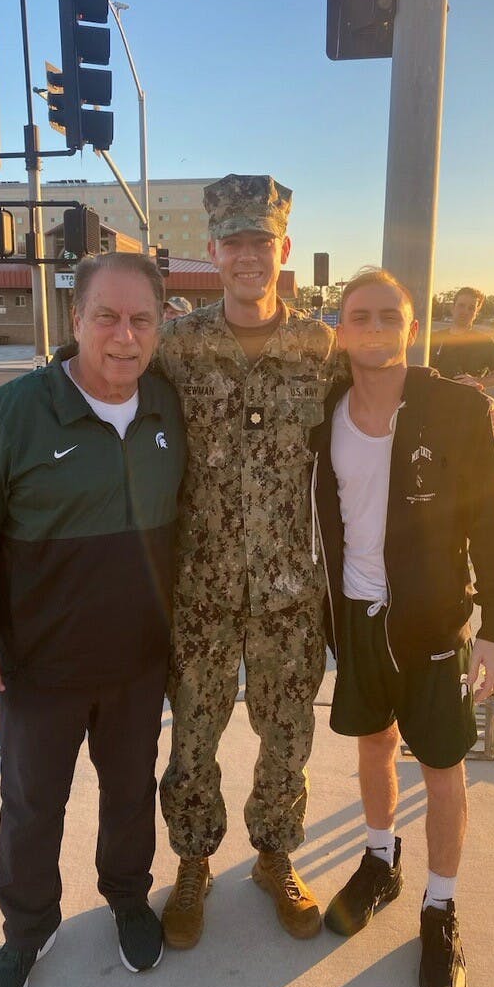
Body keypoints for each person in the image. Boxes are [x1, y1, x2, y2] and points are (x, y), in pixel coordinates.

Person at [0, 253, 186, 987]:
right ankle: (28, 929)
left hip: (138, 666)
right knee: (33, 806)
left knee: (132, 794)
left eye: (141, 318)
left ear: (160, 325)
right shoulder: (13, 416)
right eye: (106, 316)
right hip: (39, 670)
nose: (123, 336)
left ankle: (129, 900)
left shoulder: (168, 408)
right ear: (76, 321)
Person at [312, 268, 494, 987]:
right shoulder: (325, 412)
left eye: (387, 316)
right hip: (357, 617)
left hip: (432, 622)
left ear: (411, 326)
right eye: (358, 317)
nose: (373, 329)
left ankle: (441, 904)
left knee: (441, 767)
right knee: (374, 744)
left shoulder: (454, 411)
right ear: (341, 330)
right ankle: (380, 862)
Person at [157, 174, 337, 948]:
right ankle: (193, 864)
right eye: (234, 242)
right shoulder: (177, 346)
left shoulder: (320, 345)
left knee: (287, 738)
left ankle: (273, 854)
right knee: (192, 736)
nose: (248, 256)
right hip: (199, 588)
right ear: (212, 251)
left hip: (288, 592)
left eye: (261, 241)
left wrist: (464, 406)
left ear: (283, 249)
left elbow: (383, 400)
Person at [430, 287, 494, 389]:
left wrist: (477, 381)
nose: (465, 311)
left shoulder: (484, 342)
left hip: (469, 402)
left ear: (476, 313)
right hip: (435, 402)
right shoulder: (434, 339)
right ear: (452, 308)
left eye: (471, 308)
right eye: (461, 305)